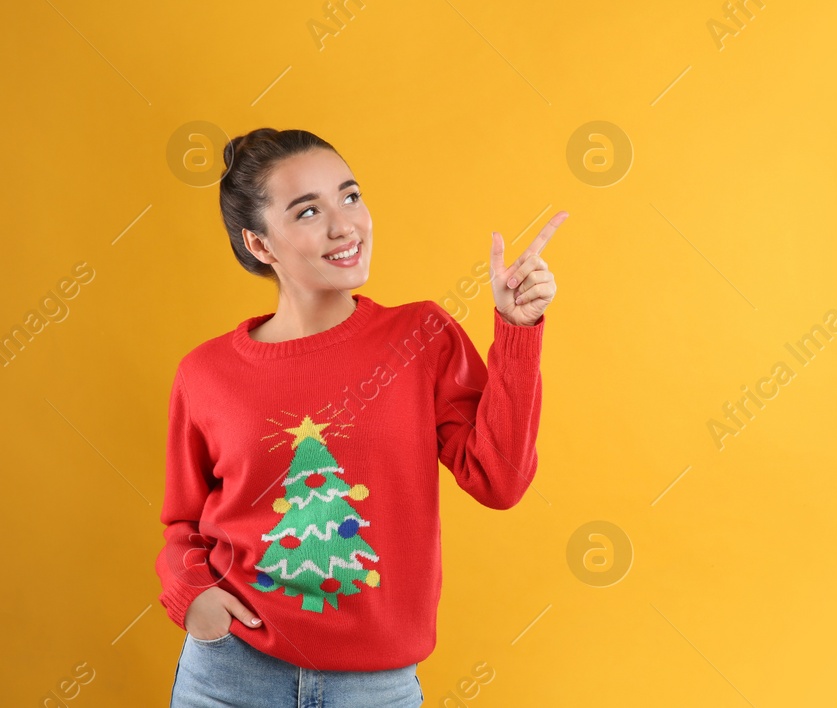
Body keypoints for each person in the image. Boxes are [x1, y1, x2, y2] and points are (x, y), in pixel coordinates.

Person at [156, 127, 565, 706]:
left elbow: (499, 480)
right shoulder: (206, 373)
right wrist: (191, 594)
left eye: (350, 196)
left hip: (377, 688)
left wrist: (518, 333)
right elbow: (182, 522)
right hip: (231, 674)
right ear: (261, 244)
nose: (344, 225)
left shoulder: (421, 337)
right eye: (307, 212)